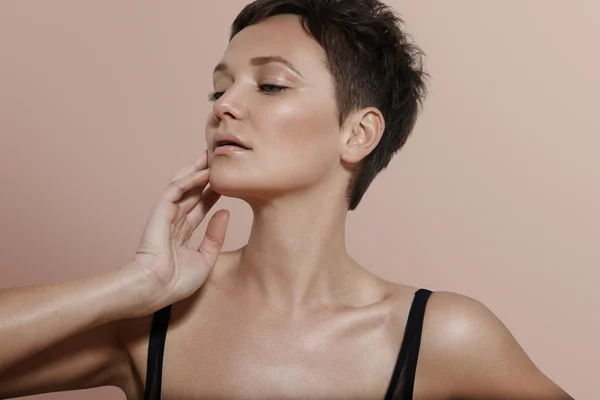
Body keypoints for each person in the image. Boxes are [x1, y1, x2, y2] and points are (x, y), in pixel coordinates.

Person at [0, 0, 574, 399]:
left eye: (270, 84)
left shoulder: (437, 336)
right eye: (218, 88)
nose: (223, 106)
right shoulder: (154, 320)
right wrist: (134, 283)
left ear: (358, 134)